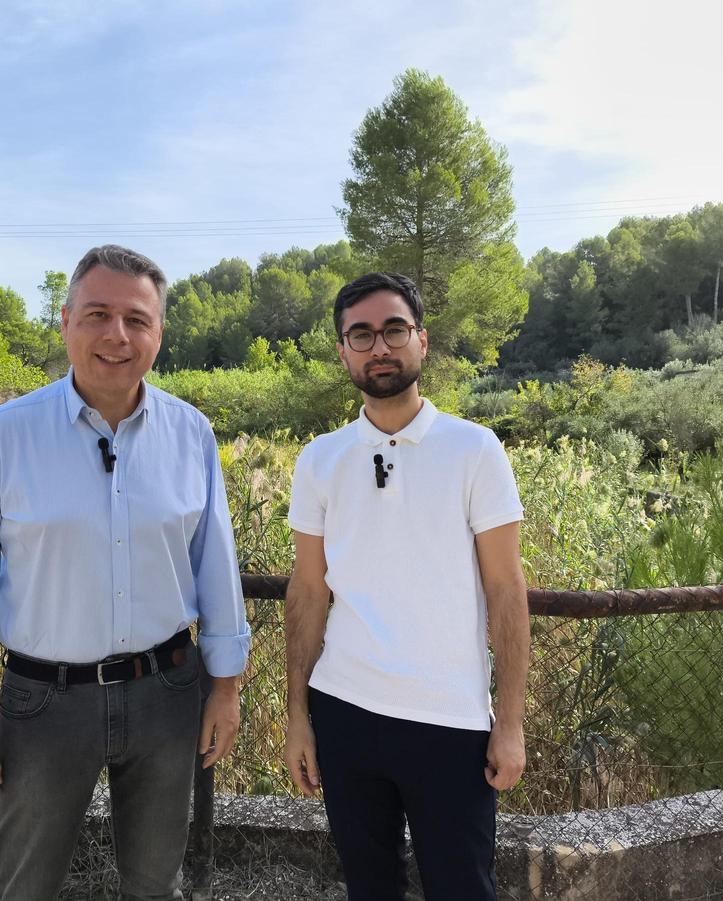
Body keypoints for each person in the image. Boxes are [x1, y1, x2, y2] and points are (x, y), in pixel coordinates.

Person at [0, 245, 251, 901]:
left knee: (156, 884)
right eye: (97, 313)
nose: (116, 335)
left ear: (159, 334)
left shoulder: (192, 435)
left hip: (167, 693)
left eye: (137, 319)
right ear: (66, 320)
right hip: (45, 702)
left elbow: (216, 568)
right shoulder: (4, 435)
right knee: (25, 885)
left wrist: (226, 688)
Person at [283, 272, 529, 901]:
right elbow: (308, 592)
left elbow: (505, 589)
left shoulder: (475, 450)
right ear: (342, 351)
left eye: (393, 330)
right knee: (369, 888)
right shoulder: (320, 459)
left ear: (421, 340)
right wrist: (298, 717)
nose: (378, 347)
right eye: (359, 335)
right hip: (346, 713)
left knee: (463, 888)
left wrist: (511, 722)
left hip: (450, 720)